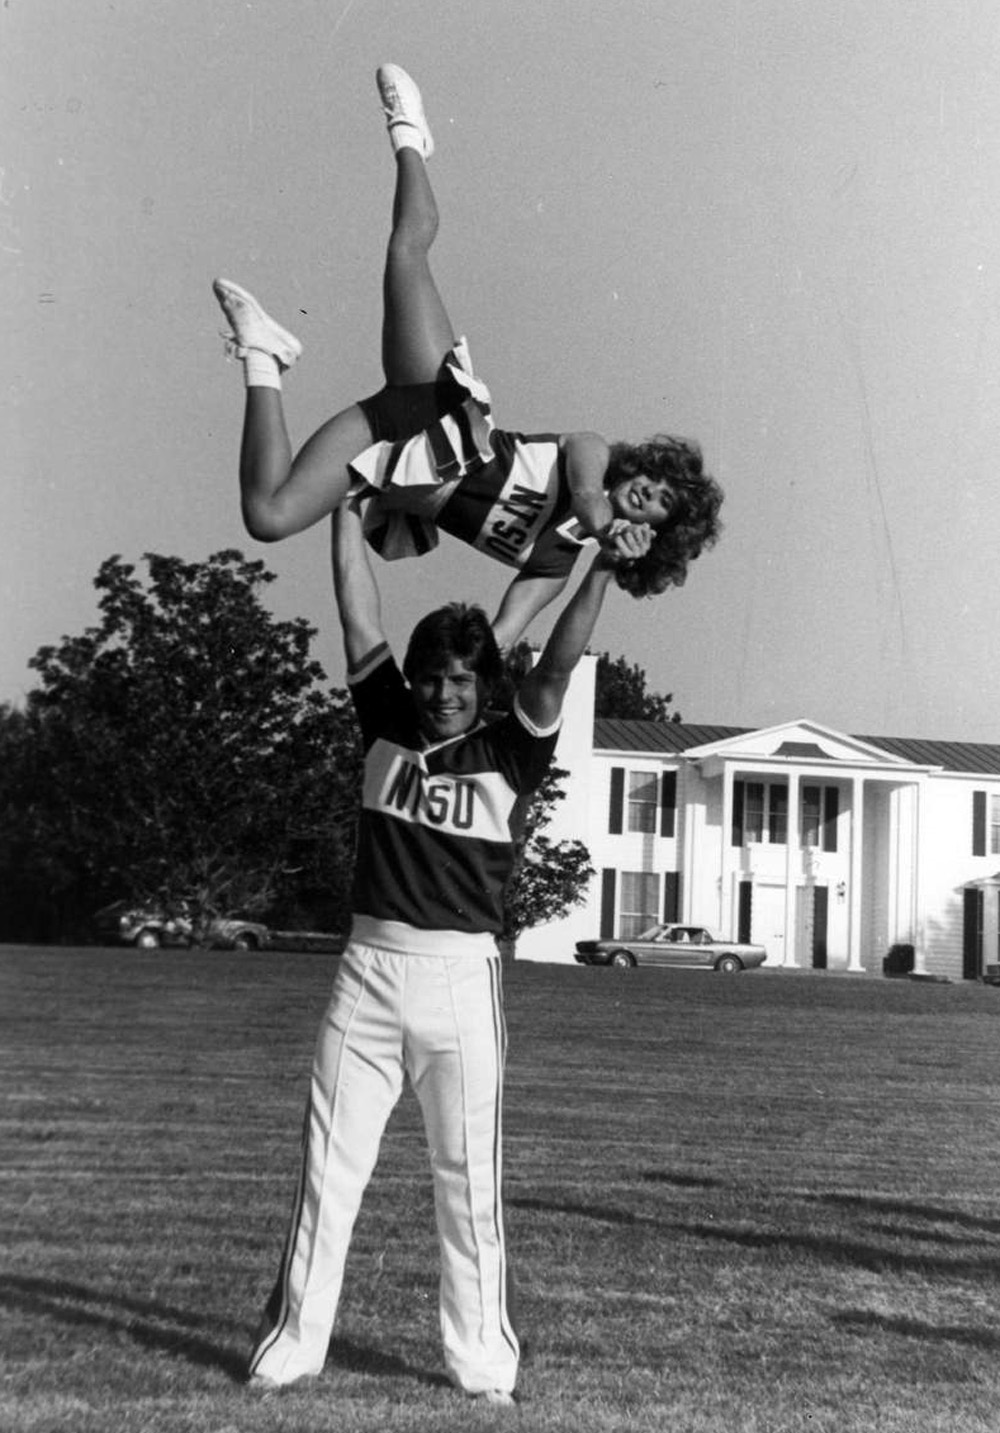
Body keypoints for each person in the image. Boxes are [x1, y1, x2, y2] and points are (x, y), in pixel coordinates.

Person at [247, 496, 621, 1404]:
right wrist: (342, 511)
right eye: (433, 677)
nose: (446, 692)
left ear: (483, 684)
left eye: (462, 678)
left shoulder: (510, 748)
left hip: (461, 980)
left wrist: (605, 563)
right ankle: (293, 1346)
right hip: (367, 973)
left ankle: (484, 1366)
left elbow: (562, 659)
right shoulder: (383, 722)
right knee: (329, 1171)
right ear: (412, 679)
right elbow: (356, 609)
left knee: (467, 1187)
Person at [212, 64, 723, 649]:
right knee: (407, 253)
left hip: (387, 457)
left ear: (659, 533)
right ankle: (409, 133)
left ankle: (264, 358)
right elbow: (585, 495)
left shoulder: (555, 566)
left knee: (268, 518)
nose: (648, 493)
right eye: (655, 481)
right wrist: (607, 533)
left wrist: (474, 676)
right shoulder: (592, 453)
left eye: (662, 505)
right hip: (433, 407)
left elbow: (501, 639)